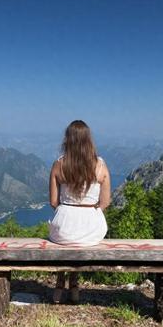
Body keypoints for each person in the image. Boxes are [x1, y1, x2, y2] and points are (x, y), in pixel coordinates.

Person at [48, 120, 111, 304]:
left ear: (67, 140)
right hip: (92, 229)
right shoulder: (100, 166)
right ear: (88, 140)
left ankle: (61, 284)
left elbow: (53, 202)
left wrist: (69, 211)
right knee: (80, 238)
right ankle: (74, 285)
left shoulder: (58, 165)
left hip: (63, 229)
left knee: (68, 239)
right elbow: (105, 202)